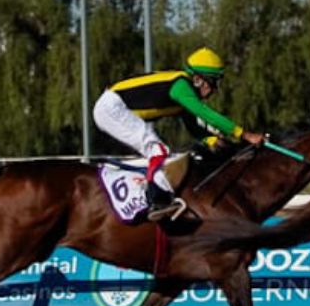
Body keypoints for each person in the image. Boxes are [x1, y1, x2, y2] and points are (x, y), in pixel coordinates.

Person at [92, 47, 264, 221]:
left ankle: (155, 195)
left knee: (161, 150)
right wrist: (244, 134)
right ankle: (156, 201)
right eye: (213, 82)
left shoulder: (184, 90)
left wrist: (211, 140)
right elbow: (205, 114)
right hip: (111, 109)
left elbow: (193, 126)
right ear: (198, 79)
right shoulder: (181, 86)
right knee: (158, 150)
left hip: (112, 108)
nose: (214, 89)